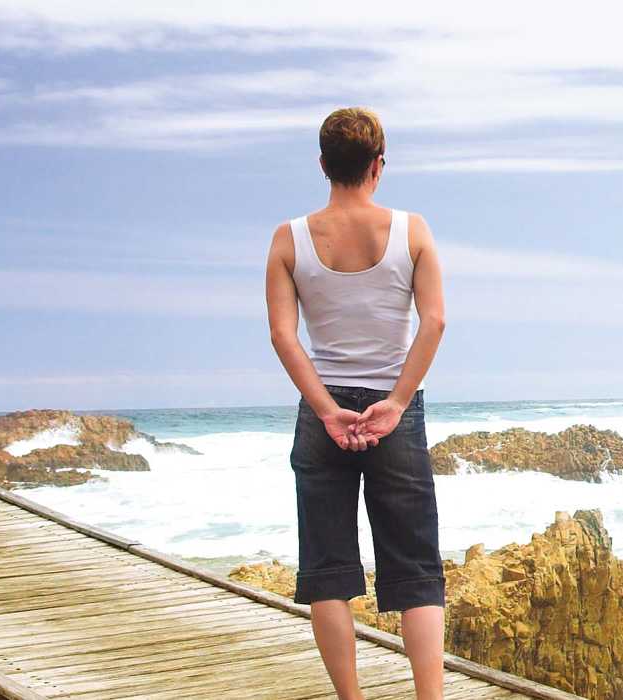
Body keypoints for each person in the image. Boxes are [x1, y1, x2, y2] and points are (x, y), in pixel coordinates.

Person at [265, 107, 448, 700]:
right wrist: (395, 402)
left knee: (327, 571)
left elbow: (284, 336)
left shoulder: (289, 237)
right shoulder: (412, 230)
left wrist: (324, 408)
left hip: (326, 416)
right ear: (379, 165)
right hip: (395, 411)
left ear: (323, 165)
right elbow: (435, 322)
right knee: (416, 570)